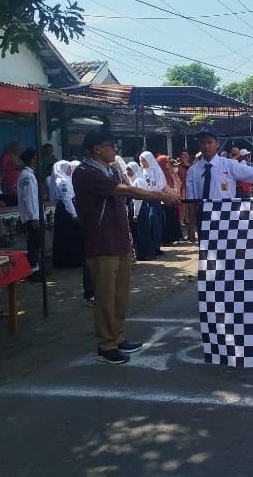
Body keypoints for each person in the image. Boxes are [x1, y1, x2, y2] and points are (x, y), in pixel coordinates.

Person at [72, 128, 181, 364]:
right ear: (96, 148)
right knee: (105, 296)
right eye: (111, 145)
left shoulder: (112, 170)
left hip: (119, 239)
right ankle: (106, 344)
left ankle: (117, 336)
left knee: (120, 295)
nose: (116, 149)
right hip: (102, 242)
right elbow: (125, 190)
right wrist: (160, 196)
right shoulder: (85, 172)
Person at [185, 126, 253, 205]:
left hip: (225, 217)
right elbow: (190, 201)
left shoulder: (229, 165)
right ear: (199, 144)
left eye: (209, 142)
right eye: (202, 143)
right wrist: (191, 227)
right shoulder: (192, 171)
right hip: (201, 218)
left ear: (217, 144)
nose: (206, 146)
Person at [17, 148, 41, 275]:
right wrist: (33, 217)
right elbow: (28, 198)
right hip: (32, 216)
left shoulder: (29, 174)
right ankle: (33, 268)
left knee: (36, 242)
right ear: (32, 159)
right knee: (33, 242)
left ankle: (35, 266)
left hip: (34, 215)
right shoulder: (27, 176)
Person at [126, 161, 156, 261]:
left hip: (139, 208)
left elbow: (138, 199)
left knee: (143, 232)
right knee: (136, 232)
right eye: (127, 170)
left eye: (129, 169)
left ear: (134, 170)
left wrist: (136, 213)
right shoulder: (133, 180)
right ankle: (140, 254)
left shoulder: (139, 180)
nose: (128, 172)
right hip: (135, 207)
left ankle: (148, 253)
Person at [139, 151, 167, 256]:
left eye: (144, 160)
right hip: (143, 199)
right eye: (141, 160)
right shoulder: (140, 171)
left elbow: (161, 184)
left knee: (154, 220)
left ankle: (156, 245)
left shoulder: (156, 170)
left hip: (154, 198)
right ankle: (148, 246)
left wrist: (151, 190)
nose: (142, 163)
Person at [157, 154, 184, 245]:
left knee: (174, 219)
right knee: (168, 221)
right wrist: (173, 193)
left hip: (173, 198)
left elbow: (178, 183)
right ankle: (168, 239)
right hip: (165, 200)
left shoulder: (171, 173)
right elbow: (163, 186)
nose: (168, 164)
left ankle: (175, 236)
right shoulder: (160, 174)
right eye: (167, 162)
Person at [0, 141, 24, 205]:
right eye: (19, 149)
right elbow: (2, 167)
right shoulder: (7, 156)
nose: (20, 151)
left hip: (18, 180)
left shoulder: (18, 157)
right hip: (9, 181)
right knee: (12, 197)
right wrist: (15, 167)